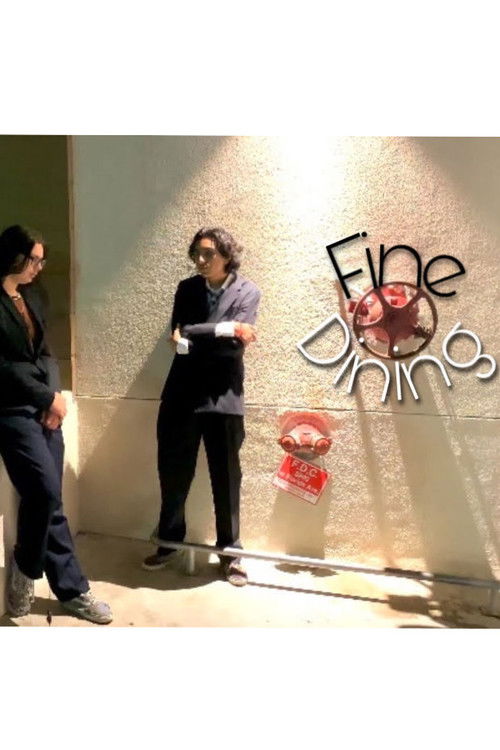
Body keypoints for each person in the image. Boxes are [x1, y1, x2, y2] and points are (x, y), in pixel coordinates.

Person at [0, 225, 112, 624]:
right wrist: (44, 397)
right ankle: (26, 568)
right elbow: (3, 368)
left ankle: (73, 590)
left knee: (53, 503)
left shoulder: (32, 295)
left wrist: (55, 397)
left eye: (41, 260)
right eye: (33, 259)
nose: (38, 267)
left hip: (43, 405)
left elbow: (46, 353)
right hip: (10, 410)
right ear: (12, 256)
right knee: (44, 492)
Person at [143, 227, 260, 586]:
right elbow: (178, 334)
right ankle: (169, 542)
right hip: (181, 394)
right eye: (197, 252)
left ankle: (231, 553)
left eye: (209, 253)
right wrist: (223, 329)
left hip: (224, 398)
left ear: (227, 255)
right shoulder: (187, 288)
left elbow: (233, 349)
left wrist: (196, 334)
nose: (201, 259)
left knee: (227, 478)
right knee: (173, 472)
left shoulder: (248, 292)